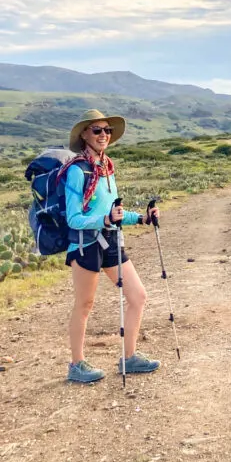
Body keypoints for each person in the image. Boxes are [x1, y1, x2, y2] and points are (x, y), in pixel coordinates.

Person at [60, 109, 161, 384]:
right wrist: (104, 219)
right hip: (85, 245)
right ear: (84, 135)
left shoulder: (107, 168)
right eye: (97, 130)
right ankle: (76, 365)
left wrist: (141, 217)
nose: (104, 135)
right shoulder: (77, 172)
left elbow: (115, 211)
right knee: (84, 304)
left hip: (110, 240)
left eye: (107, 130)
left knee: (138, 296)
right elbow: (74, 218)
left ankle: (129, 358)